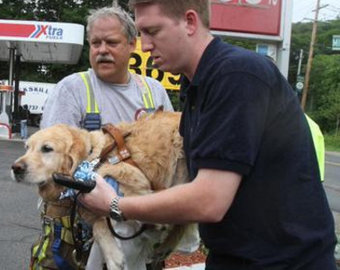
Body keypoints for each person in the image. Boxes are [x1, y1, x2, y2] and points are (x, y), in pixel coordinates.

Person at [80, 0, 337, 269]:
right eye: (142, 33)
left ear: (190, 22)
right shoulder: (196, 83)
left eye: (153, 31)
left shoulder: (237, 75)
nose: (144, 45)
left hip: (285, 262)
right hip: (235, 256)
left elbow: (209, 200)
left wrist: (115, 204)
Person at [37, 6, 175, 270]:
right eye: (95, 43)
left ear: (132, 45)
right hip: (79, 232)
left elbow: (171, 158)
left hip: (140, 227)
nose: (102, 50)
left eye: (111, 42)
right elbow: (51, 165)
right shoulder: (72, 89)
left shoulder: (154, 93)